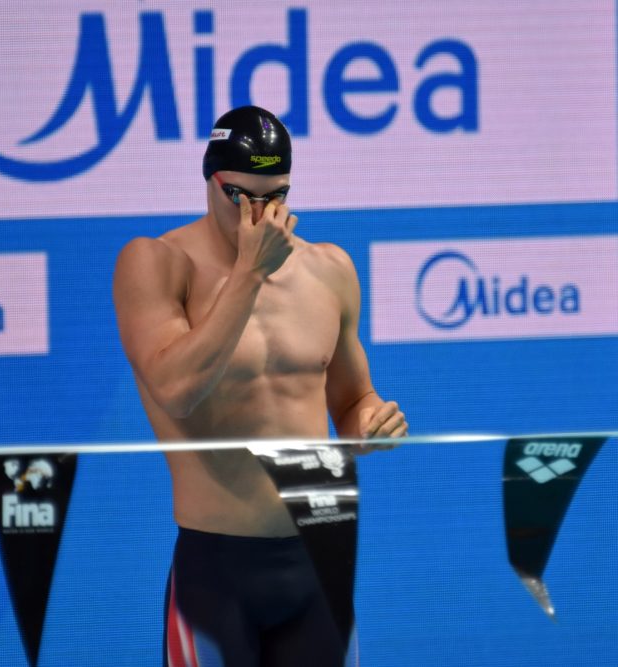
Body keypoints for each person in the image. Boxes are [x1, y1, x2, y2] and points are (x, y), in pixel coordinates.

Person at [113, 106, 408, 667]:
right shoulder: (155, 263)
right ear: (211, 180)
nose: (261, 216)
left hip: (317, 561)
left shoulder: (329, 270)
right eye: (242, 197)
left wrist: (371, 422)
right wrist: (249, 274)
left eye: (276, 196)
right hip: (215, 571)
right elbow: (176, 389)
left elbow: (350, 400)